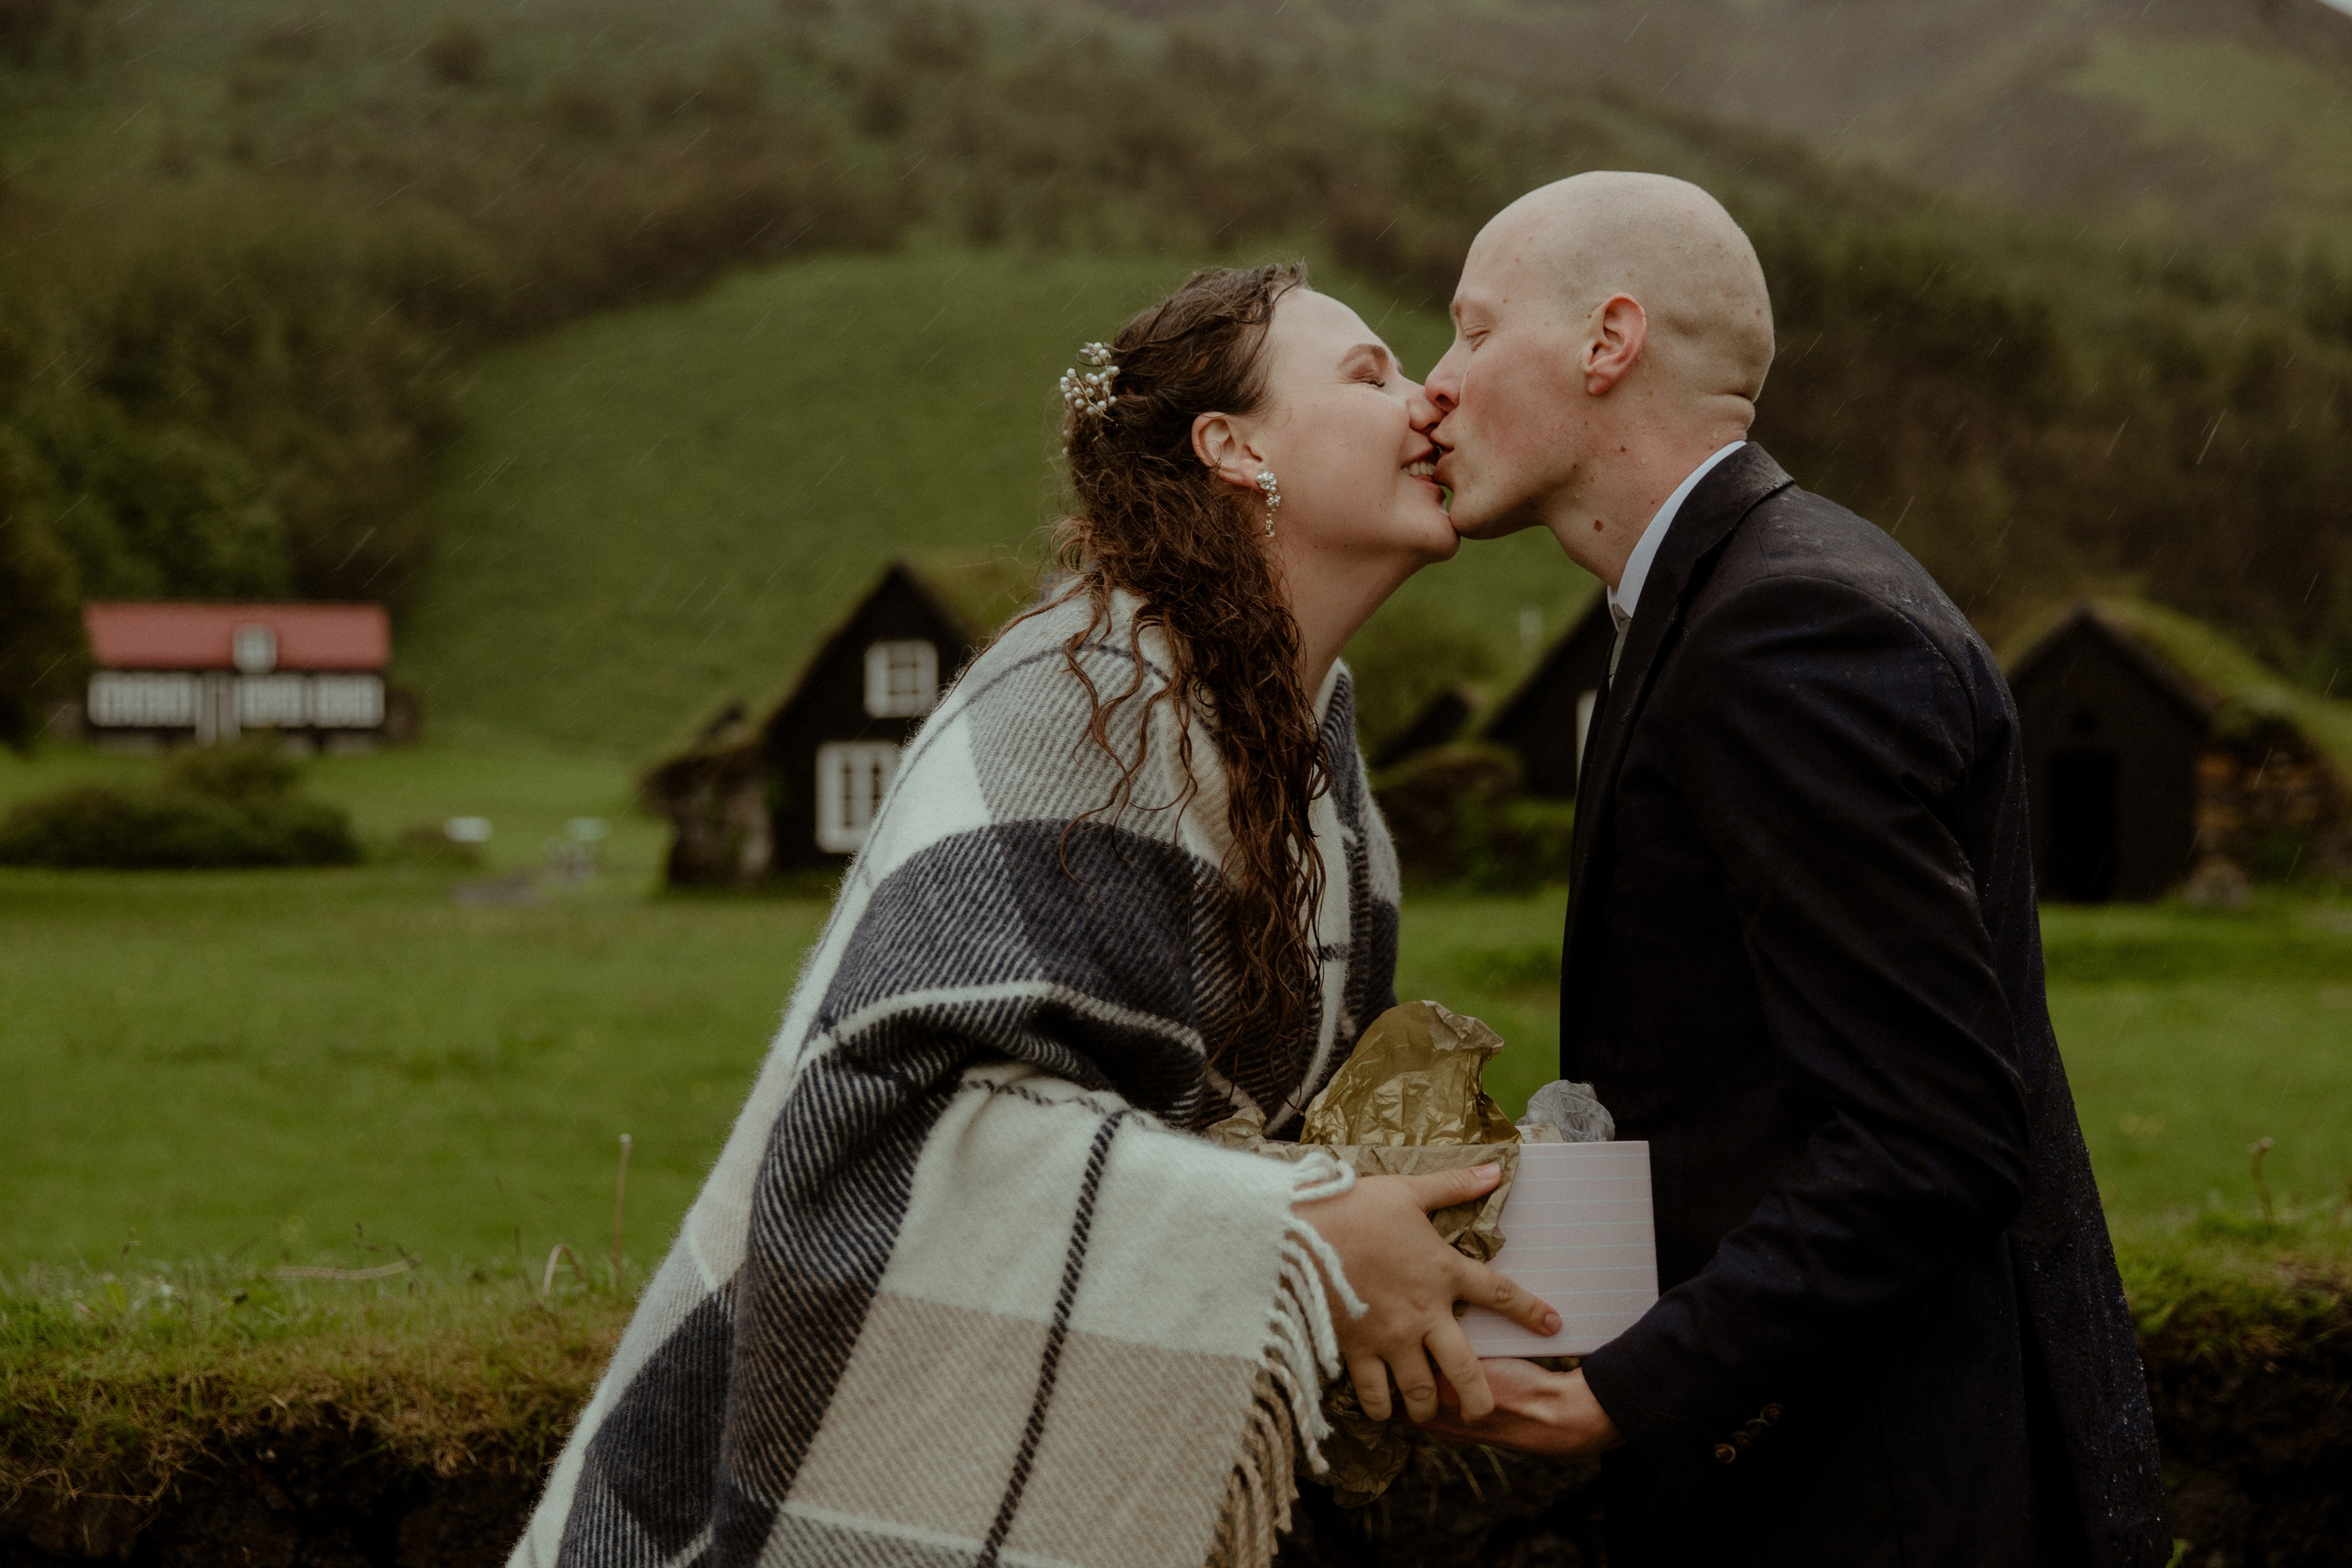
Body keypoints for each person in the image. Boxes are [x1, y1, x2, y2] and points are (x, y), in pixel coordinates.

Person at [508, 263, 1559, 1568]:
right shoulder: (1081, 707)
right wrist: (1302, 1226)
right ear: (1232, 448)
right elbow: (895, 1128)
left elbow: (1245, 1124)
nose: (1429, 400)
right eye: (1369, 374)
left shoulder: (1311, 750)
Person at [1409, 173, 2172, 1566]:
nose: (1434, 387)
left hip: (1875, 1500)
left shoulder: (1786, 629)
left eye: (1469, 331)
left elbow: (1929, 1139)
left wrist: (1626, 1396)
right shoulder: (1734, 599)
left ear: (1607, 340)